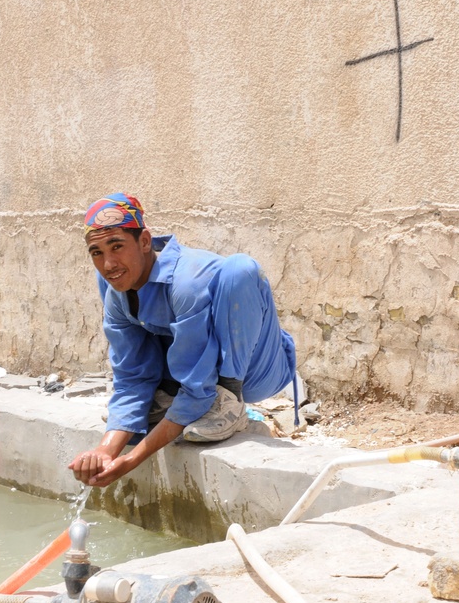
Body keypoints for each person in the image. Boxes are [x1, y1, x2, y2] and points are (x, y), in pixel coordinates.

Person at [69, 193, 297, 488]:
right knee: (143, 409)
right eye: (96, 252)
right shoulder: (116, 288)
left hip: (256, 371)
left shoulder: (185, 283)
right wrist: (105, 450)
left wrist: (132, 459)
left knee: (240, 269)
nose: (109, 263)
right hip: (195, 375)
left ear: (145, 242)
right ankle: (175, 398)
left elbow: (196, 387)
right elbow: (131, 376)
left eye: (117, 246)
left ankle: (228, 402)